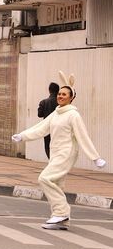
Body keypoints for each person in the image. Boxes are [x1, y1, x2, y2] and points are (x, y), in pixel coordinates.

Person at [12, 71, 107, 230]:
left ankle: (62, 212)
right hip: (55, 153)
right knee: (56, 183)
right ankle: (62, 220)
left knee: (45, 178)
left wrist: (95, 158)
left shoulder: (73, 115)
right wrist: (22, 136)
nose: (60, 96)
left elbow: (83, 136)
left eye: (64, 94)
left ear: (71, 98)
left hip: (67, 152)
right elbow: (41, 128)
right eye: (59, 94)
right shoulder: (56, 113)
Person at [37, 82, 59, 159]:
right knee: (58, 145)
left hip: (47, 127)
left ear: (49, 90)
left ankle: (51, 161)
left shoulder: (43, 102)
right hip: (58, 127)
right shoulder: (60, 102)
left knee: (48, 145)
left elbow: (40, 114)